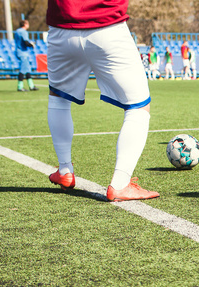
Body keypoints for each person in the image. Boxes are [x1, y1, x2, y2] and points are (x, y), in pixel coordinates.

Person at [45, 0, 159, 202]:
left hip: (61, 27)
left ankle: (64, 170)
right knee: (139, 106)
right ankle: (121, 183)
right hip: (107, 26)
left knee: (58, 98)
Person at [14, 19, 39, 92]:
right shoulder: (23, 32)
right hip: (23, 52)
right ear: (25, 24)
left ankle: (31, 86)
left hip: (19, 51)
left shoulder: (17, 31)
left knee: (27, 69)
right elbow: (26, 42)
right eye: (27, 23)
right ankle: (20, 86)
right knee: (23, 69)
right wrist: (32, 44)